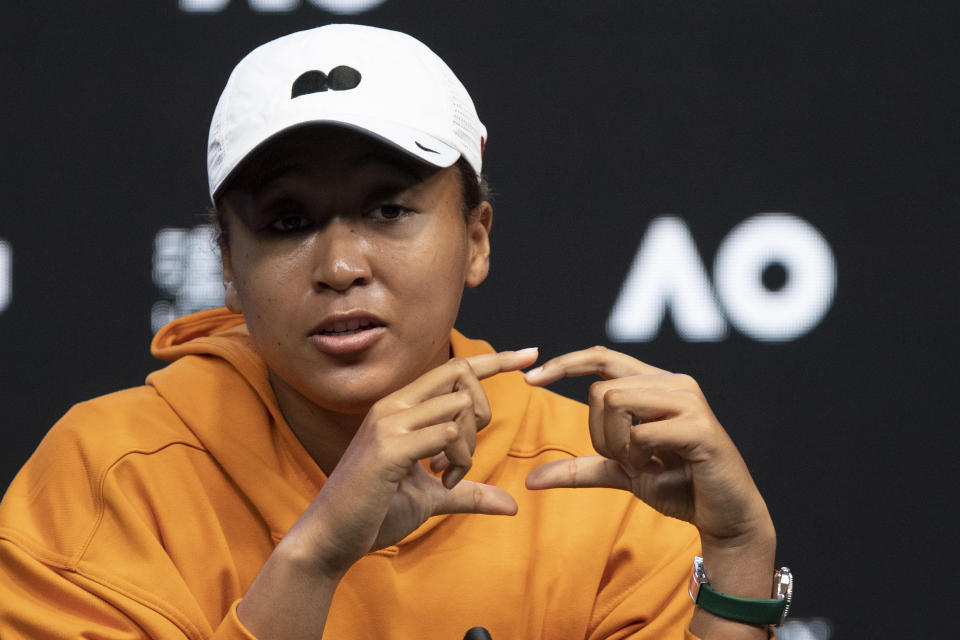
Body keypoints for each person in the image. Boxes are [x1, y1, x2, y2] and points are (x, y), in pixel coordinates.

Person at [0, 24, 787, 640]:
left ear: (475, 238)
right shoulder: (106, 475)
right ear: (229, 269)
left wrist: (742, 553)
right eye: (287, 220)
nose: (340, 264)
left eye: (387, 209)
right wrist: (313, 558)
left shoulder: (591, 479)